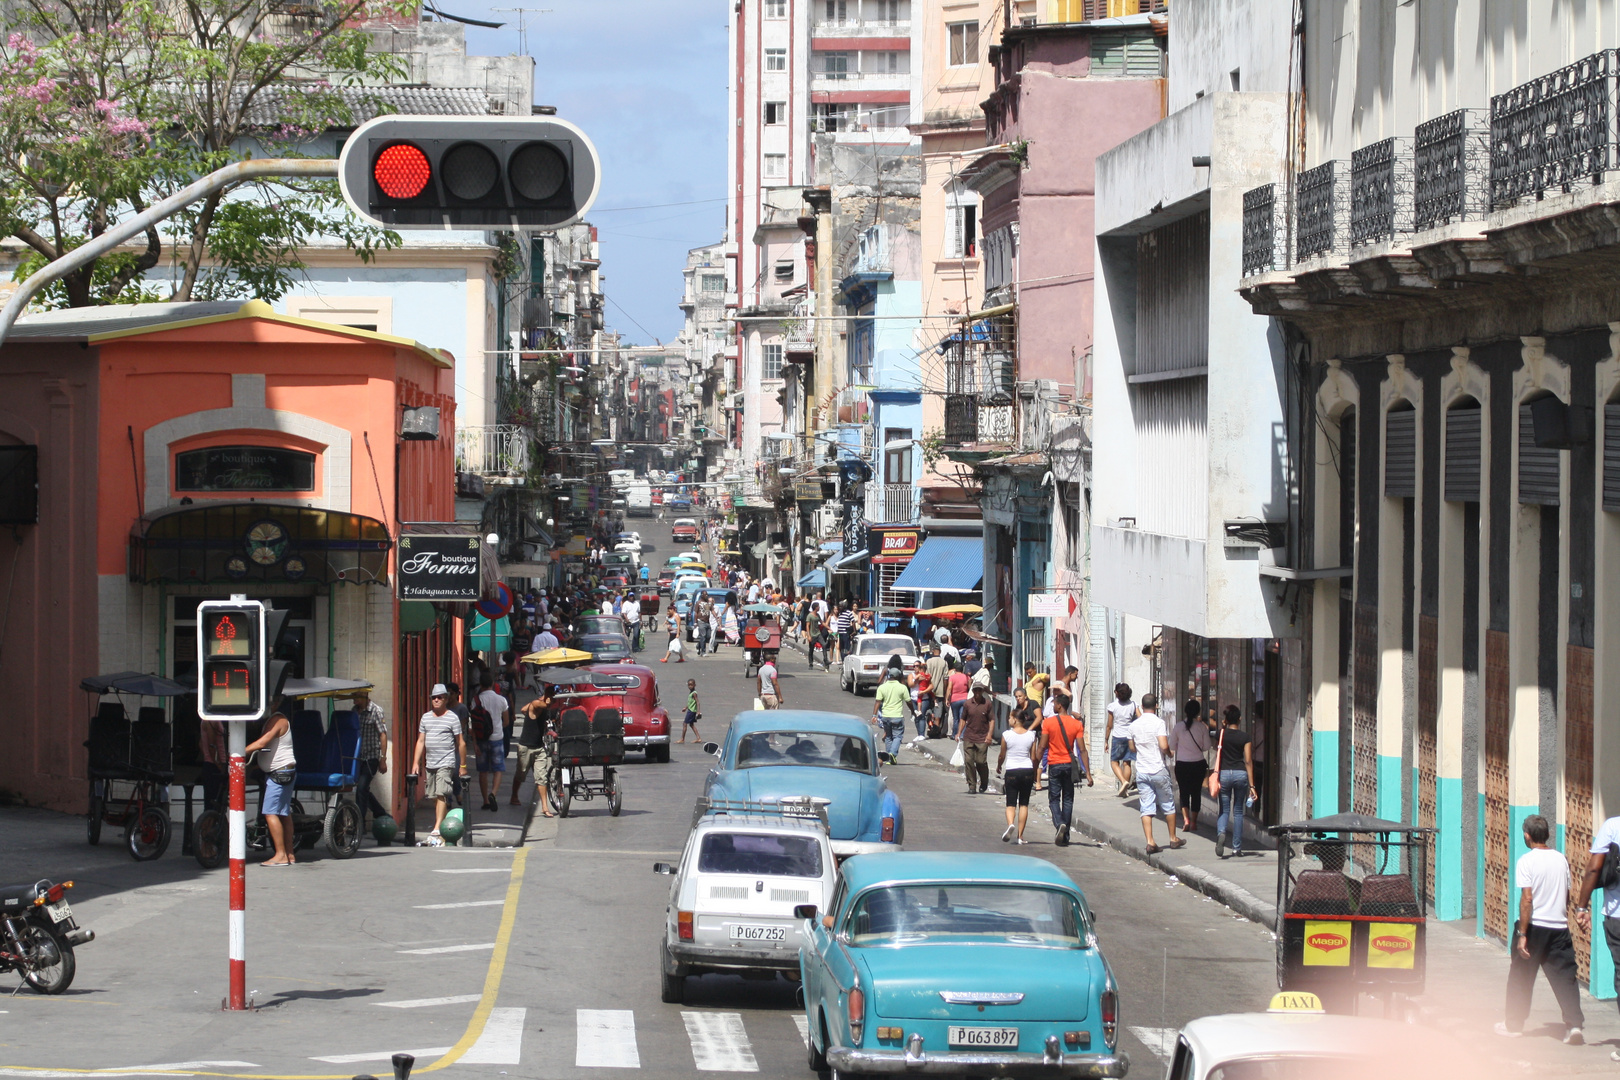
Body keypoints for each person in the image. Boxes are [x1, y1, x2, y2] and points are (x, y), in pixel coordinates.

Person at [1496, 815, 1583, 1043]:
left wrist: (1522, 934)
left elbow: (1527, 899)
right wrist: (1562, 918)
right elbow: (1567, 894)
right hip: (1559, 927)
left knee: (1521, 977)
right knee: (1566, 978)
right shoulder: (1561, 859)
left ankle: (1513, 1025)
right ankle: (1574, 1026)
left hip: (1534, 928)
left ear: (1527, 835)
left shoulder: (1527, 860)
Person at [1128, 693, 1182, 854]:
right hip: (1158, 769)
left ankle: (1150, 841)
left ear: (1142, 707)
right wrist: (1170, 754)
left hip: (1142, 770)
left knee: (1146, 806)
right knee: (1167, 804)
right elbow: (1164, 745)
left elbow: (1131, 748)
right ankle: (1173, 838)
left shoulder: (1133, 726)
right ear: (1156, 706)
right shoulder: (1159, 723)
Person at [413, 685, 467, 846]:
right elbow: (421, 741)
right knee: (435, 796)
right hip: (431, 763)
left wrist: (462, 765)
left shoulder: (452, 718)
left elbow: (461, 742)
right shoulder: (426, 718)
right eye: (433, 697)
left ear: (446, 699)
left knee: (442, 793)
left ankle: (437, 828)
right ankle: (441, 823)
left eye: (440, 697)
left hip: (447, 762)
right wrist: (416, 763)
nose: (436, 700)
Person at [245, 710, 298, 865]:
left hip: (280, 772)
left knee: (269, 813)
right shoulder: (271, 720)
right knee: (284, 813)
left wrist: (238, 752)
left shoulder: (278, 720)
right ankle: (289, 854)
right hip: (281, 771)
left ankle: (280, 855)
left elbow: (262, 742)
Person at [1041, 693, 1088, 846]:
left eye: (1054, 703)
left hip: (1054, 764)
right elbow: (1082, 750)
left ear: (1059, 705)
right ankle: (1065, 834)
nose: (1053, 706)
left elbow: (1042, 745)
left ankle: (1059, 823)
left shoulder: (1048, 723)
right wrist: (1087, 772)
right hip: (1069, 765)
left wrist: (1036, 764)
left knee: (1054, 799)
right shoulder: (1076, 724)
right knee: (1068, 799)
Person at [1213, 705, 1256, 858]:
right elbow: (1248, 760)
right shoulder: (1245, 737)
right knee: (1238, 812)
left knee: (1224, 809)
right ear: (1240, 719)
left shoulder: (1221, 734)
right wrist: (1252, 785)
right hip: (1240, 774)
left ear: (1225, 720)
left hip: (1224, 774)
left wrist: (1223, 726)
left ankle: (1221, 833)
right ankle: (1237, 848)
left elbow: (1216, 748)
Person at [996, 706, 1039, 845]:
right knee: (1024, 804)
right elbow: (1033, 757)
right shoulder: (1031, 735)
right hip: (1026, 770)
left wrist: (999, 766)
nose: (1009, 719)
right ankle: (1020, 836)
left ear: (1015, 720)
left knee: (1010, 803)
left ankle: (1010, 824)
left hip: (1012, 770)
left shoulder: (1006, 735)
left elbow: (1002, 754)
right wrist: (1034, 774)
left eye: (1010, 717)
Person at [348, 689, 390, 831]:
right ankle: (380, 813)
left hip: (370, 757)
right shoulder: (354, 711)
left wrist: (382, 758)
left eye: (356, 696)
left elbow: (382, 734)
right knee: (362, 789)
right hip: (357, 757)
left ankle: (359, 824)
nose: (353, 699)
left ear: (364, 696)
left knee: (361, 788)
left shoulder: (376, 711)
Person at [510, 688, 556, 817]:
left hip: (539, 747)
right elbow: (538, 705)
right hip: (525, 746)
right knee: (521, 774)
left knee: (542, 777)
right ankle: (514, 796)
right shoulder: (535, 704)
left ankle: (545, 807)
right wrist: (548, 696)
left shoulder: (538, 706)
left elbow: (523, 709)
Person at [1169, 698, 1212, 833]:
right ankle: (1194, 822)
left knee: (1184, 792)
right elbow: (1206, 747)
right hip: (1198, 765)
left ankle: (1186, 819)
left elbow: (1171, 745)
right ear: (1198, 712)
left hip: (1182, 765)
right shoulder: (1202, 727)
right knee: (1196, 793)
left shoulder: (1178, 727)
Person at [474, 675, 509, 812]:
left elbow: (473, 724)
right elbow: (506, 722)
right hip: (497, 739)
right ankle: (493, 793)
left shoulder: (476, 700)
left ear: (480, 684)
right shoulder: (501, 700)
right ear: (493, 683)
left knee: (483, 771)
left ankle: (485, 801)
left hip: (481, 740)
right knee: (498, 769)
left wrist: (475, 743)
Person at [958, 682, 995, 794]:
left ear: (982, 691)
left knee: (980, 762)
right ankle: (972, 785)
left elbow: (992, 720)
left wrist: (989, 735)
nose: (977, 693)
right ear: (973, 691)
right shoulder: (968, 704)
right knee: (969, 761)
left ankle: (984, 782)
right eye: (976, 690)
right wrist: (958, 733)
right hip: (969, 736)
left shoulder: (987, 704)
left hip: (982, 738)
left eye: (979, 690)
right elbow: (963, 719)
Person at [1104, 683, 1140, 798]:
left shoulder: (1112, 706)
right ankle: (1125, 790)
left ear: (1117, 693)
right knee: (1127, 762)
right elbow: (1140, 718)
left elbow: (1109, 725)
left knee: (1114, 762)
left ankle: (1123, 782)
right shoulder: (1134, 704)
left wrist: (1106, 740)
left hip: (1118, 736)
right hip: (1130, 736)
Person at [872, 668, 910, 760]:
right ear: (898, 676)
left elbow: (878, 701)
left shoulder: (882, 687)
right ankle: (892, 754)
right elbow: (909, 701)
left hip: (885, 716)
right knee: (898, 736)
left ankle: (888, 757)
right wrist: (913, 711)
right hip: (897, 716)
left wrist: (874, 715)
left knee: (888, 736)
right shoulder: (902, 687)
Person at [946, 659, 971, 738]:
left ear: (955, 669)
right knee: (963, 717)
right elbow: (969, 687)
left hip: (954, 699)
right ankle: (962, 734)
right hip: (964, 698)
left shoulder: (952, 677)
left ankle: (954, 734)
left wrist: (947, 698)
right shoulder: (966, 677)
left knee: (955, 718)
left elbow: (949, 688)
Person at [910, 660, 933, 743]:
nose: (915, 668)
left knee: (921, 715)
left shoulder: (925, 675)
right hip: (914, 698)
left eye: (917, 666)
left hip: (924, 698)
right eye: (914, 666)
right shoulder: (912, 675)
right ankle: (919, 734)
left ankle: (922, 735)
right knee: (916, 716)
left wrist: (923, 692)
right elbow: (911, 684)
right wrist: (916, 679)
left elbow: (931, 686)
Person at [804, 602, 828, 670]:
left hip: (818, 634)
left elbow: (822, 622)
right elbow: (807, 626)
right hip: (812, 634)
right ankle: (810, 663)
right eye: (818, 606)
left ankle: (826, 660)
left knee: (824, 645)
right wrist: (808, 635)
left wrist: (829, 628)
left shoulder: (817, 615)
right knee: (811, 649)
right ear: (816, 607)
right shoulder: (810, 616)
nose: (819, 608)